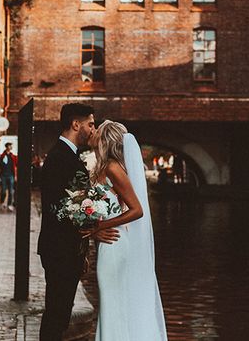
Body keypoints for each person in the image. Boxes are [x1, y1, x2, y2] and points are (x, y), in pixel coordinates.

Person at [38, 103, 119, 341]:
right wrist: (93, 231)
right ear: (76, 124)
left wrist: (81, 248)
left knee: (60, 313)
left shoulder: (67, 156)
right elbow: (59, 209)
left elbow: (72, 206)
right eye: (90, 124)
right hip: (59, 249)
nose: (93, 129)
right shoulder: (60, 158)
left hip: (66, 248)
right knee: (57, 313)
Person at [90, 120, 167, 340]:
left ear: (105, 139)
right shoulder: (103, 167)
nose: (93, 132)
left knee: (112, 302)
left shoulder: (113, 168)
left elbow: (137, 210)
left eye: (98, 130)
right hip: (108, 242)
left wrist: (100, 225)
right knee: (111, 302)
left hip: (114, 242)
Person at [0, 142, 18, 212]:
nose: (11, 147)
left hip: (11, 175)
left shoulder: (13, 156)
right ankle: (2, 203)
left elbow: (15, 167)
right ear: (7, 147)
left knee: (11, 191)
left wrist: (15, 176)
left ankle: (9, 205)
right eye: (10, 146)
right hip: (3, 175)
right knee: (3, 191)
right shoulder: (2, 156)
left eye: (11, 146)